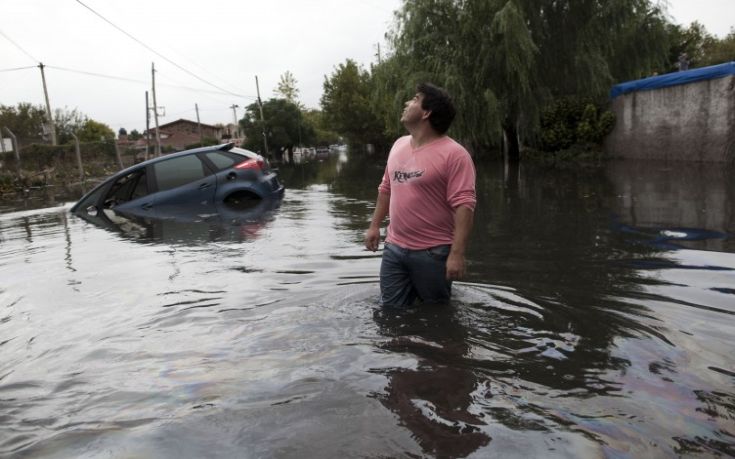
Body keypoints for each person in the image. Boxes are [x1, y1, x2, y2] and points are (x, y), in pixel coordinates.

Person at [364, 83, 476, 306]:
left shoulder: (455, 154)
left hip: (433, 253)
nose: (407, 103)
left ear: (426, 113)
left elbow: (464, 204)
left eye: (414, 99)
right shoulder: (398, 145)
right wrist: (375, 225)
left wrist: (456, 254)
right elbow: (386, 188)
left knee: (438, 316)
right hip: (394, 248)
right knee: (391, 313)